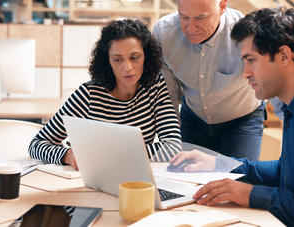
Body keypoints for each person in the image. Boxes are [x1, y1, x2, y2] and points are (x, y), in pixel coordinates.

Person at [170, 7, 294, 226]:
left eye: (251, 60)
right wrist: (221, 165)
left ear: (285, 56)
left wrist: (251, 195)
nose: (245, 73)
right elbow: (289, 173)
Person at [29, 19, 182, 169]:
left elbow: (172, 147)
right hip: (93, 181)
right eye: (117, 59)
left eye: (134, 58)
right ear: (107, 61)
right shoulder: (88, 95)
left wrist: (109, 156)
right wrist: (69, 155)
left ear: (146, 57)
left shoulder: (155, 86)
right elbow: (37, 145)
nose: (127, 67)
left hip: (137, 179)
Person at [153, 0, 265, 160]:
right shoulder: (164, 33)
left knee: (238, 180)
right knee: (187, 182)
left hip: (242, 119)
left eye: (200, 17)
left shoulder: (246, 34)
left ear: (222, 6)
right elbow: (168, 92)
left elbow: (271, 82)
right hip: (194, 118)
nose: (191, 28)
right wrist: (171, 140)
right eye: (184, 17)